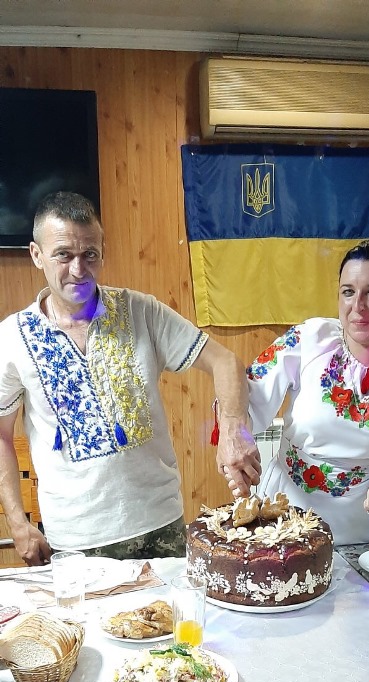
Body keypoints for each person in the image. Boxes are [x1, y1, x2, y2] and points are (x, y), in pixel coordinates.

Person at [0, 191, 261, 566]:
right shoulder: (12, 338)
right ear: (37, 254)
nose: (79, 269)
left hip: (162, 528)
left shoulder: (142, 312)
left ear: (103, 251)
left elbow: (225, 362)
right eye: (64, 255)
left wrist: (233, 430)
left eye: (90, 254)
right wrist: (17, 521)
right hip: (74, 541)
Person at [225, 238, 369, 546]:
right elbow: (248, 398)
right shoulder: (311, 340)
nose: (358, 307)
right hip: (284, 513)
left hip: (362, 524)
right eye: (348, 292)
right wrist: (237, 445)